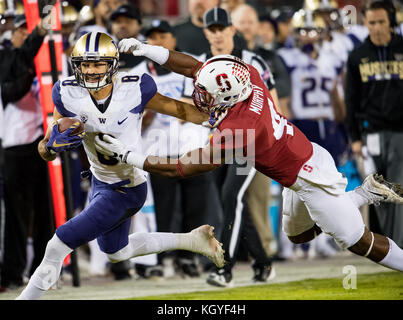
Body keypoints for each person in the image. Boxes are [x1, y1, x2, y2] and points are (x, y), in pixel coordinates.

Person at [96, 37, 403, 282]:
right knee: (298, 235)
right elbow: (195, 67)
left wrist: (129, 156)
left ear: (227, 97)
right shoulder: (250, 77)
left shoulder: (239, 129)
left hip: (309, 178)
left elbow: (182, 167)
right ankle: (365, 193)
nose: (200, 95)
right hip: (303, 159)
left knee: (357, 242)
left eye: (206, 93)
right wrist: (148, 50)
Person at [15, 31, 224, 300]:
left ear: (112, 64)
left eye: (98, 64)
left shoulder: (134, 87)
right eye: (85, 64)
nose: (90, 71)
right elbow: (44, 149)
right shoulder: (66, 92)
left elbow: (181, 110)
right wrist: (52, 146)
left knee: (58, 244)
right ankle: (192, 240)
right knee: (117, 252)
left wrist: (222, 116)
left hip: (128, 187)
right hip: (100, 183)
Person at [178, 6, 277, 287]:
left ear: (232, 30)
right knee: (231, 202)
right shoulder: (199, 64)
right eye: (213, 28)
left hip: (248, 142)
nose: (218, 33)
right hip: (218, 143)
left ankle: (224, 269)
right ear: (206, 31)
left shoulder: (252, 60)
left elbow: (273, 103)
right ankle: (262, 263)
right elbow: (190, 107)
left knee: (231, 197)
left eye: (223, 28)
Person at [132, 19, 220, 278]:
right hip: (157, 150)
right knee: (162, 211)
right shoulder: (136, 72)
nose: (158, 41)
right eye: (152, 37)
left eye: (163, 36)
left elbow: (203, 107)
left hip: (194, 149)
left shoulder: (192, 66)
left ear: (173, 39)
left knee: (196, 209)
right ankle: (158, 260)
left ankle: (188, 259)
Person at [0, 13, 55, 292]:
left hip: (45, 142)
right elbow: (11, 89)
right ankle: (11, 271)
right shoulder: (8, 57)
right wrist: (34, 45)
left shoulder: (46, 58)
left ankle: (43, 272)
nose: (24, 35)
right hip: (16, 144)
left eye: (28, 31)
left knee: (48, 211)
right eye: (22, 31)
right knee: (16, 214)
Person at [345, 0, 403, 248]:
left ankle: (397, 247)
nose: (377, 27)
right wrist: (354, 137)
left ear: (392, 22)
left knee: (399, 190)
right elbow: (351, 98)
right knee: (378, 192)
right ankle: (390, 244)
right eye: (372, 22)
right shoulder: (358, 55)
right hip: (371, 134)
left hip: (400, 133)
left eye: (381, 22)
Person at [109, 4, 145, 71]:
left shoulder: (150, 52)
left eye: (128, 21)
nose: (122, 25)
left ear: (139, 25)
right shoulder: (106, 54)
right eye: (118, 22)